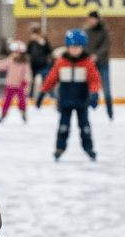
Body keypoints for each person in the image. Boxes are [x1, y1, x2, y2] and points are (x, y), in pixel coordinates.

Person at [41, 28, 102, 161]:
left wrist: (94, 93)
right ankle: (59, 148)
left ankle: (89, 148)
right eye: (72, 47)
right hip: (65, 102)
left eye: (78, 47)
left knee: (85, 127)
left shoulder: (88, 63)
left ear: (83, 47)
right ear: (67, 47)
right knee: (63, 127)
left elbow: (94, 80)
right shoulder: (61, 62)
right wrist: (43, 92)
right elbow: (51, 78)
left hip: (82, 101)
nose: (75, 50)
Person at [84, 10, 113, 119]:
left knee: (106, 89)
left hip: (103, 63)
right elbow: (85, 46)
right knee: (88, 88)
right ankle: (88, 109)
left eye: (92, 19)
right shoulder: (86, 31)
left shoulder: (104, 31)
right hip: (91, 64)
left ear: (97, 19)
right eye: (89, 19)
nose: (91, 21)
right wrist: (88, 56)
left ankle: (110, 112)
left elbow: (105, 46)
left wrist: (96, 55)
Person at [0, 41, 30, 123]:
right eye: (13, 52)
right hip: (9, 86)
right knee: (6, 102)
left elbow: (27, 75)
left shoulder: (24, 64)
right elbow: (1, 65)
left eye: (17, 53)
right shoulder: (10, 61)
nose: (15, 54)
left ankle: (23, 112)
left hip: (20, 86)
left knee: (22, 102)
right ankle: (3, 114)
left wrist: (26, 83)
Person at [26, 23, 53, 106]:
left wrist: (42, 43)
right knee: (32, 81)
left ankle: (51, 97)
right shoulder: (31, 43)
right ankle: (30, 98)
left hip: (43, 65)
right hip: (34, 66)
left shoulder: (44, 42)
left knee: (46, 81)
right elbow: (28, 53)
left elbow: (49, 51)